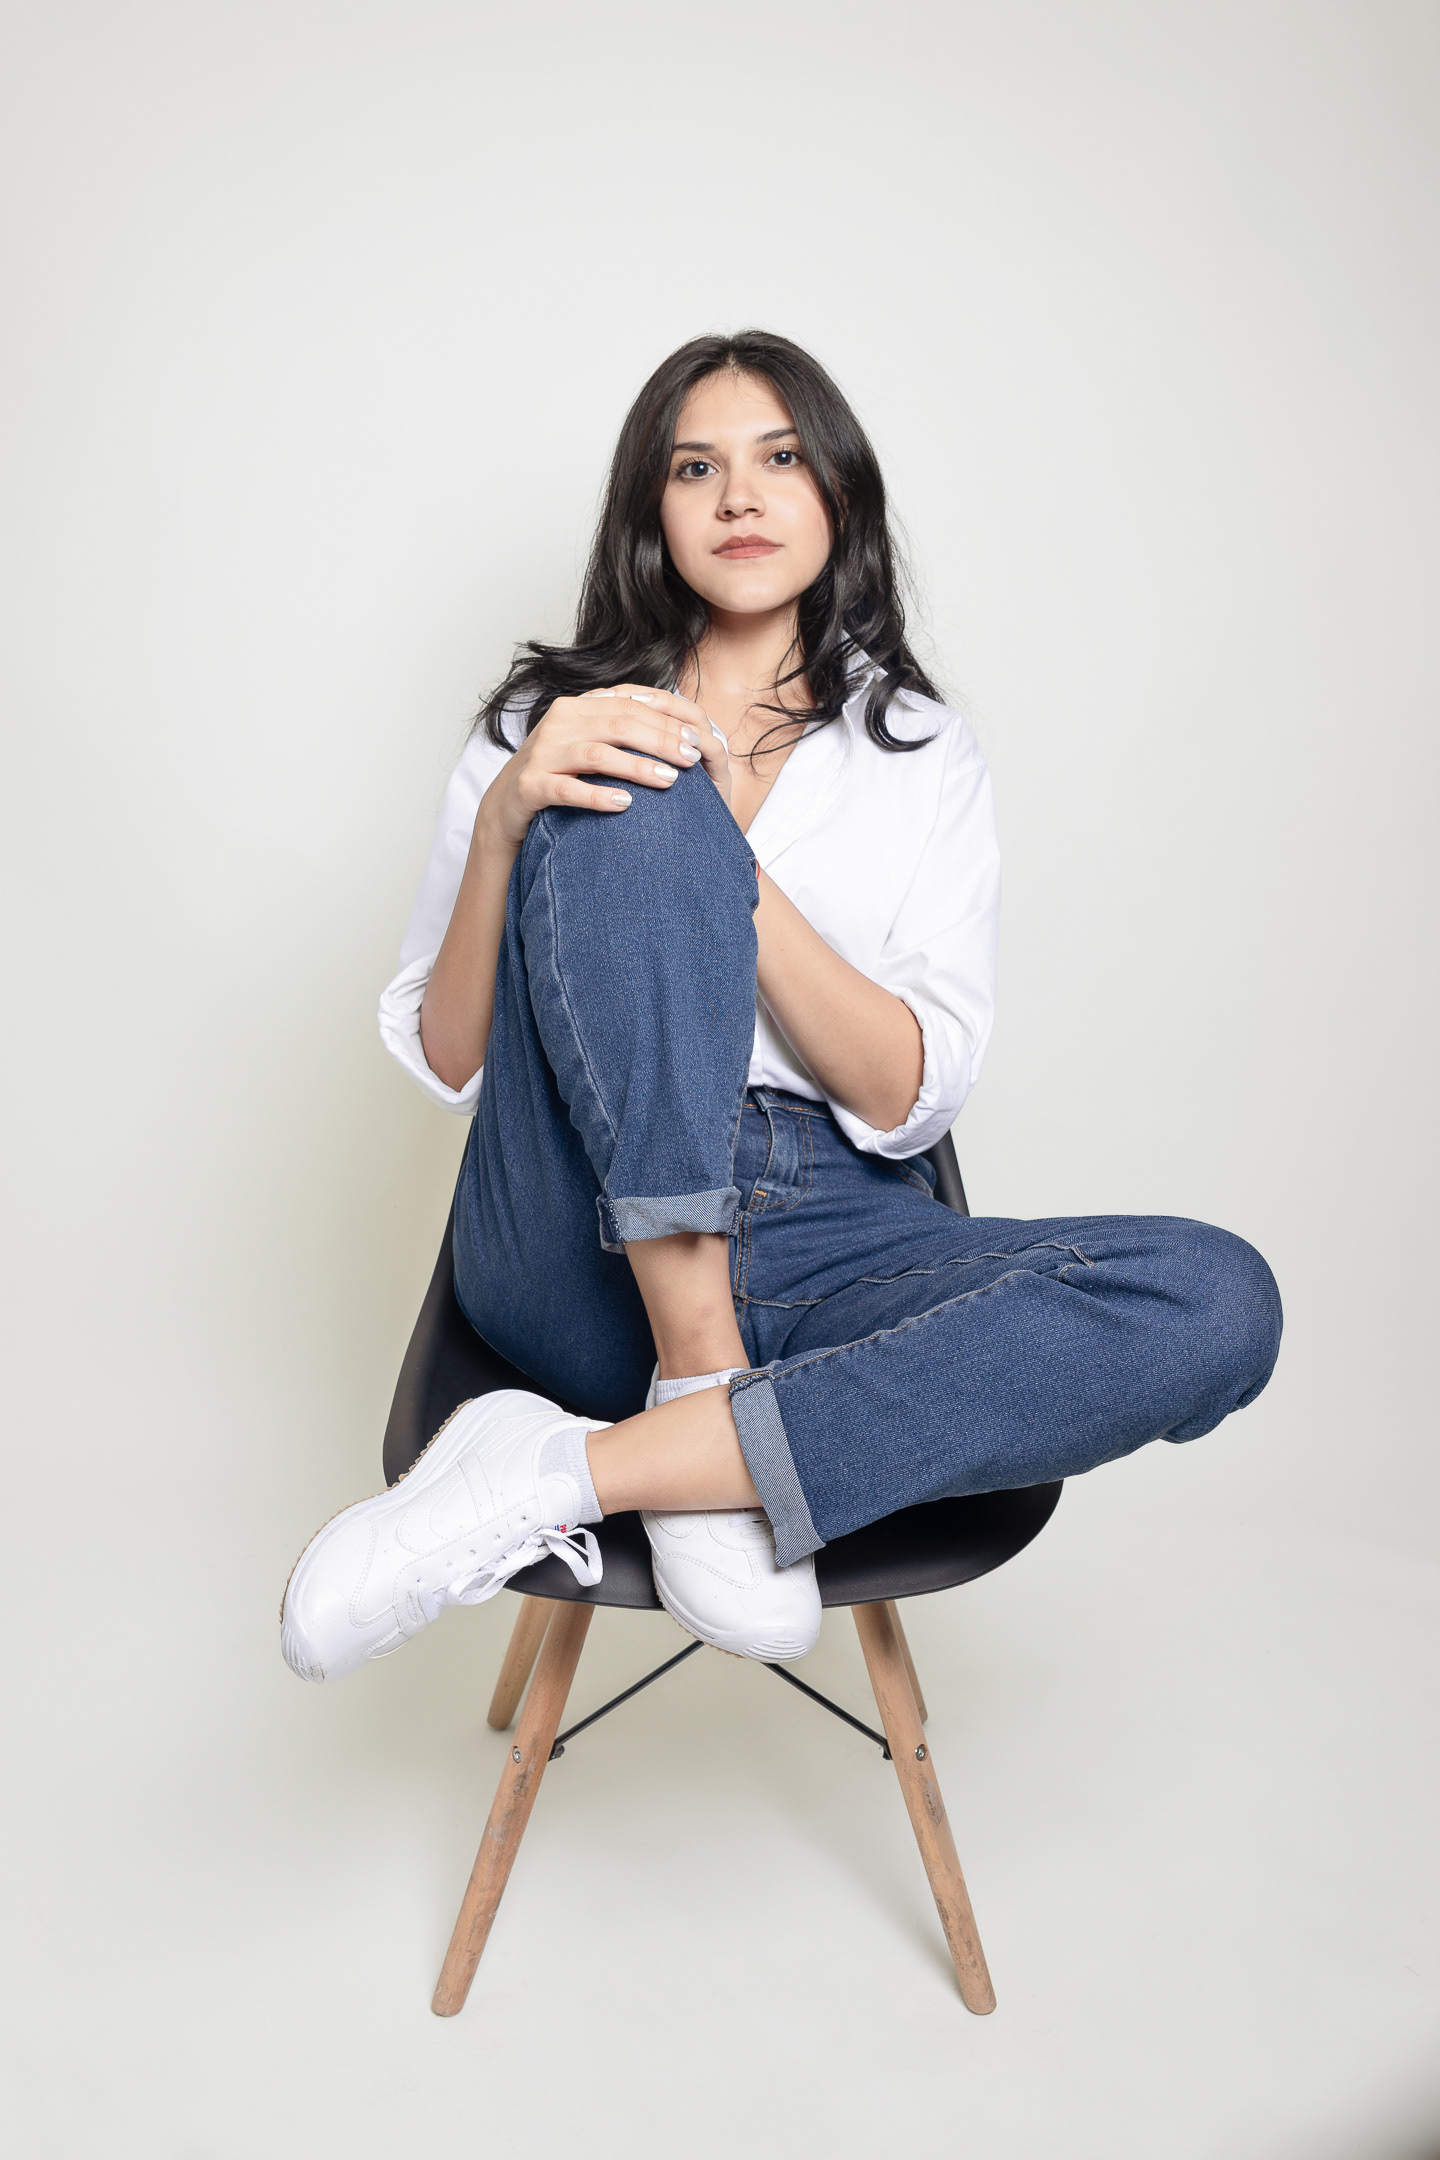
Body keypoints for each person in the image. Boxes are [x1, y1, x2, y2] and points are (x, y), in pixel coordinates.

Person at [280, 330, 1282, 1684]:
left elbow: (904, 1092)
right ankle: (704, 1378)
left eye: (782, 459)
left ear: (838, 493)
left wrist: (725, 880)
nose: (740, 496)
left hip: (827, 1227)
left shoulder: (921, 753)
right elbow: (450, 1061)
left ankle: (581, 1468)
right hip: (573, 1227)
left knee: (1217, 1301)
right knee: (631, 787)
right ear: (653, 508)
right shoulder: (553, 725)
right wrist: (515, 814)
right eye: (696, 468)